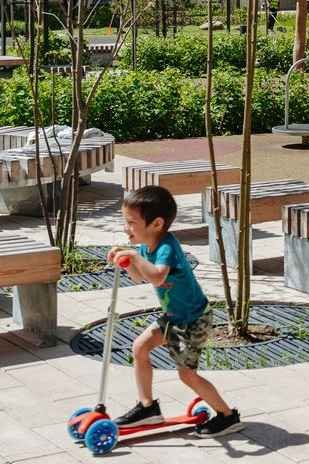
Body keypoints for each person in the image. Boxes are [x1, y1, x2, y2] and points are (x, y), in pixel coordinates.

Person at [107, 186, 243, 437]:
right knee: (140, 348)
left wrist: (134, 257)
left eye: (131, 223)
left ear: (157, 224)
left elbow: (157, 277)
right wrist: (125, 262)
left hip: (194, 319)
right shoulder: (146, 246)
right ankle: (147, 408)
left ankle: (227, 416)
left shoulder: (166, 247)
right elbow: (139, 277)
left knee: (187, 376)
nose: (126, 228)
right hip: (174, 317)